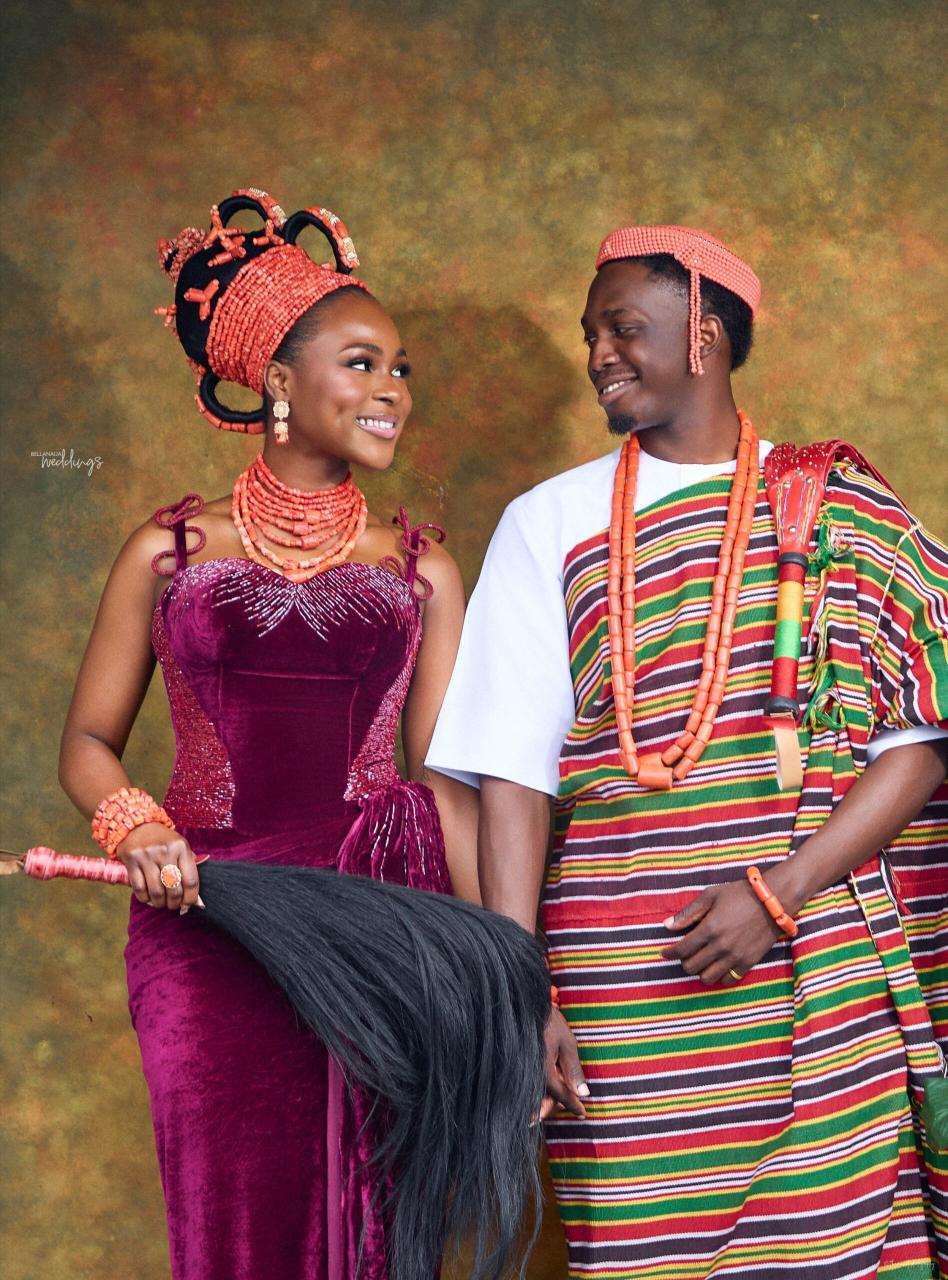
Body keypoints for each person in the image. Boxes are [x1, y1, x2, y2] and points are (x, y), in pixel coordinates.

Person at [426, 224, 948, 1278]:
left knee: (830, 1244)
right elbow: (511, 774)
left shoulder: (840, 511)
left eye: (623, 328)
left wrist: (778, 895)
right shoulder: (547, 522)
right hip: (621, 988)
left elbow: (924, 736)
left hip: (812, 963)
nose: (599, 355)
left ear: (702, 331)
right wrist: (523, 990)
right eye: (590, 334)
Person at [58, 188, 477, 1280]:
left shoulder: (422, 568)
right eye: (362, 363)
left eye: (400, 369)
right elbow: (89, 739)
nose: (392, 390)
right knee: (229, 1201)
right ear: (280, 383)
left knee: (367, 1215)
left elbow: (448, 784)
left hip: (376, 927)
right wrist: (137, 824)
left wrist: (493, 961)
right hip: (204, 922)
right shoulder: (169, 552)